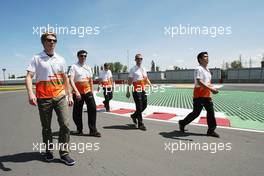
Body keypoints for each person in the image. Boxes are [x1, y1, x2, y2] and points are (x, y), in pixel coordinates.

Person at [25, 32, 75, 166]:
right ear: (43, 42)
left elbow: (65, 79)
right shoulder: (36, 58)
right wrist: (31, 93)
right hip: (43, 98)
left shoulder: (61, 59)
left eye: (54, 40)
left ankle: (64, 153)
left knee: (65, 125)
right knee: (46, 127)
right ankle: (48, 150)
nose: (52, 42)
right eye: (49, 40)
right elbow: (29, 76)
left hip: (60, 96)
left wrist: (69, 94)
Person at [179, 52, 220, 138]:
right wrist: (211, 89)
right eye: (205, 57)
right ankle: (182, 123)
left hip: (207, 95)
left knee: (211, 112)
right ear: (200, 59)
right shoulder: (198, 69)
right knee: (196, 113)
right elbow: (199, 82)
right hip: (199, 95)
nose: (207, 58)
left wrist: (213, 89)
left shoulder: (208, 70)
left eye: (207, 56)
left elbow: (207, 83)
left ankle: (211, 130)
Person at [68, 50, 101, 137]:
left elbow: (90, 80)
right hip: (78, 93)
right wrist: (76, 92)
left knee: (93, 110)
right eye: (81, 56)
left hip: (87, 91)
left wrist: (91, 91)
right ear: (78, 56)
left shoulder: (88, 67)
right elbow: (71, 80)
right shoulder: (74, 67)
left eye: (85, 56)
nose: (83, 57)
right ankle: (79, 130)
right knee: (76, 113)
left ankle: (93, 131)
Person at [126, 54, 152, 131]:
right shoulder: (133, 69)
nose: (139, 60)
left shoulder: (144, 69)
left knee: (144, 105)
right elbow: (129, 81)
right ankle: (140, 124)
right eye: (138, 58)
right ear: (135, 59)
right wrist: (127, 91)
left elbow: (146, 79)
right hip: (136, 90)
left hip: (143, 89)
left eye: (140, 58)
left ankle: (134, 116)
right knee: (139, 106)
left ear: (142, 60)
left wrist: (151, 85)